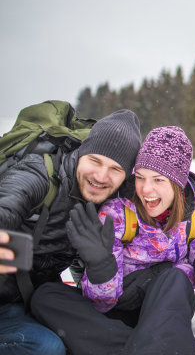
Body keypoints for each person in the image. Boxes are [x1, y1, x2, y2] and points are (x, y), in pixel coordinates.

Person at [30, 126, 195, 355]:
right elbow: (102, 303)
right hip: (119, 302)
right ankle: (143, 346)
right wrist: (101, 269)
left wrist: (161, 273)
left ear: (177, 183)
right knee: (45, 296)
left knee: (175, 278)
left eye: (158, 180)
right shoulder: (116, 213)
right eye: (140, 177)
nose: (146, 189)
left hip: (163, 303)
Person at [0, 109, 142, 355]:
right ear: (81, 153)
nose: (100, 176)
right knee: (47, 347)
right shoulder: (39, 175)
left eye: (114, 169)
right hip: (6, 300)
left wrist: (99, 265)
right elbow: (8, 204)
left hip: (33, 299)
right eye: (95, 161)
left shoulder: (109, 204)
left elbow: (78, 263)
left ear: (124, 177)